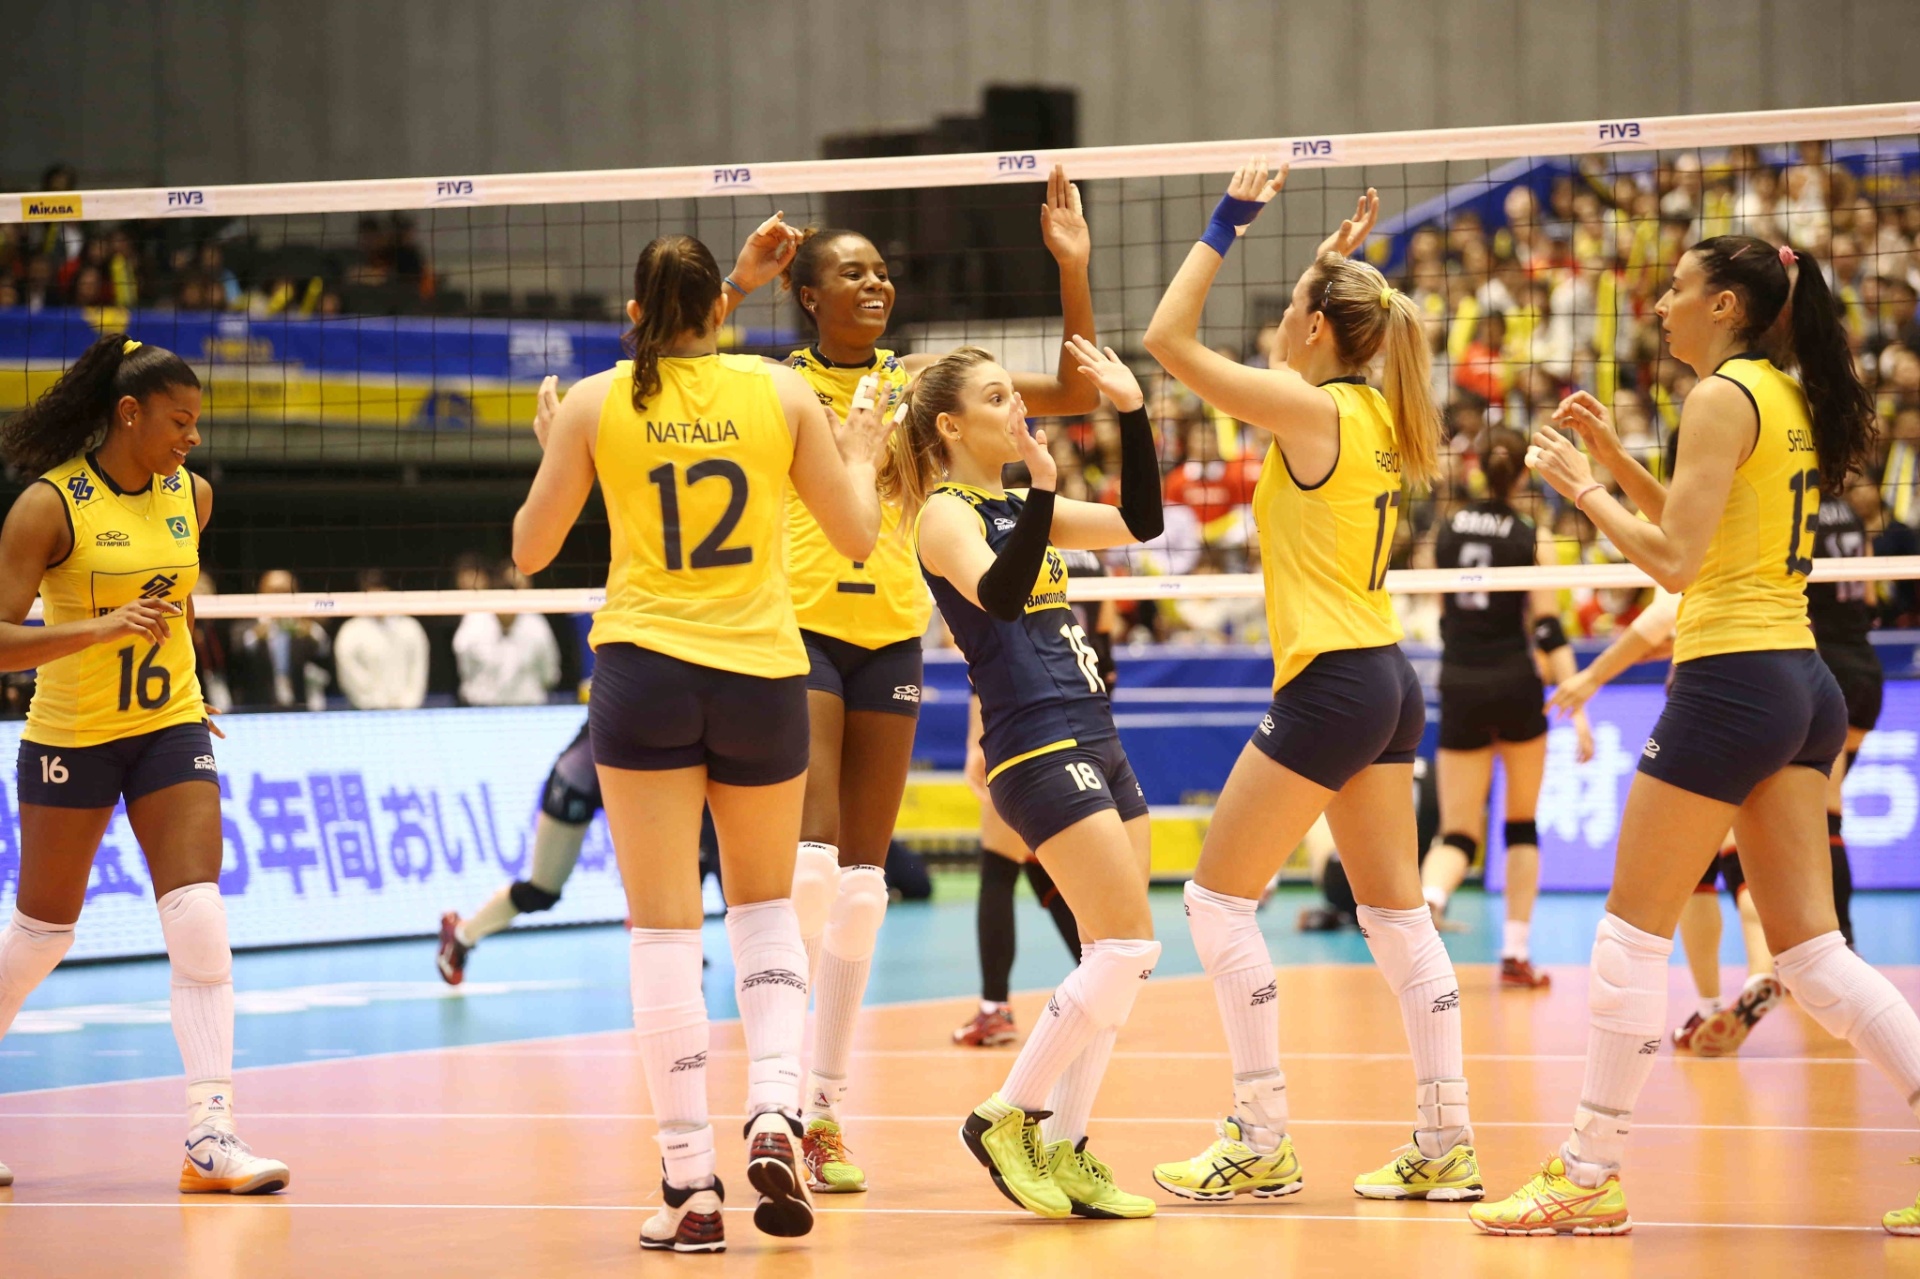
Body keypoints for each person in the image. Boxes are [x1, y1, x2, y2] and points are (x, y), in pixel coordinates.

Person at [1472, 236, 1920, 1237]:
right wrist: (1618, 460)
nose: (1660, 305)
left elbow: (1676, 562)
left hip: (1731, 683)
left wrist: (1578, 491)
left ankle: (1587, 1170)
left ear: (1725, 304)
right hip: (1797, 682)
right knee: (1810, 953)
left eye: (1676, 290)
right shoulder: (1780, 394)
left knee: (1629, 935)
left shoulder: (1721, 398)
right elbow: (1706, 526)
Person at [710, 170, 1101, 1193]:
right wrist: (742, 281)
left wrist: (1073, 269)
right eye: (852, 273)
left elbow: (1071, 386)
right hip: (797, 634)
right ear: (810, 296)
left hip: (890, 638)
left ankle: (827, 1114)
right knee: (809, 866)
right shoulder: (778, 380)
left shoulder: (920, 380)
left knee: (866, 892)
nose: (874, 284)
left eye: (882, 271)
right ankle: (779, 1101)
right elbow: (672, 361)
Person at [510, 233, 892, 1252]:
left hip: (645, 673)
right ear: (719, 310)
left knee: (663, 931)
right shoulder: (779, 391)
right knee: (765, 912)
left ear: (635, 313)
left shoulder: (594, 402)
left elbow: (529, 550)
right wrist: (858, 453)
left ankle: (689, 1186)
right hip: (765, 670)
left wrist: (558, 446)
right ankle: (775, 1110)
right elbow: (857, 536)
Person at [1143, 162, 1478, 1205]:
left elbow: (1165, 340)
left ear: (1320, 334)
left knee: (1212, 900)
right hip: (1386, 674)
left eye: (1293, 310)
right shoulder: (1378, 412)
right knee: (1397, 917)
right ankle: (1446, 1139)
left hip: (1334, 680)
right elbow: (1330, 323)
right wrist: (1334, 263)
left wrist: (1228, 221)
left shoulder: (1305, 405)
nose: (1281, 324)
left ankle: (1260, 1134)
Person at [0, 334, 288, 1195]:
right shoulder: (48, 507)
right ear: (129, 414)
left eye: (196, 423)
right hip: (73, 733)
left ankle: (211, 1132)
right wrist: (95, 628)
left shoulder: (190, 496)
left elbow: (178, 597)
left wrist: (190, 689)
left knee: (199, 915)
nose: (192, 437)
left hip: (167, 727)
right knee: (44, 935)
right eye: (179, 420)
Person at [887, 339, 1164, 1220]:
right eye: (999, 396)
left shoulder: (1013, 501)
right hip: (1034, 740)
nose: (1020, 407)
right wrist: (1043, 492)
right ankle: (1008, 1114)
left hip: (1094, 725)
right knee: (1125, 946)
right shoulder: (943, 515)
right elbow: (1001, 597)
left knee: (1115, 960)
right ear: (951, 424)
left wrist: (1133, 413)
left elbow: (1142, 521)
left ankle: (1072, 1147)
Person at [1550, 591, 1785, 1057]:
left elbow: (1661, 615)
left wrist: (1590, 678)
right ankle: (1762, 972)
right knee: (1746, 851)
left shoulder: (1695, 536)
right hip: (1787, 689)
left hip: (1709, 698)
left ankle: (1708, 1003)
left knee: (1691, 866)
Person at [1421, 428, 1592, 988]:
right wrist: (1580, 707)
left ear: (1474, 467)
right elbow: (1545, 628)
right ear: (1522, 473)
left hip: (1461, 681)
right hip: (1516, 685)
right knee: (1520, 825)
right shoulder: (1530, 536)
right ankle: (1516, 954)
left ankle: (1429, 901)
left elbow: (1440, 606)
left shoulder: (1443, 532)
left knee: (1457, 833)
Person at [452, 562, 560, 706]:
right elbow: (465, 670)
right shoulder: (473, 623)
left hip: (529, 709)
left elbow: (549, 674)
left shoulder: (536, 624)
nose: (505, 610)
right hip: (481, 709)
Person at [228, 569, 330, 710]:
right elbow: (234, 659)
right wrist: (257, 634)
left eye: (286, 591)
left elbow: (324, 654)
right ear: (261, 593)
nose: (280, 597)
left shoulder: (305, 628)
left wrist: (312, 629)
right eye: (275, 591)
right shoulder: (245, 628)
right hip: (257, 708)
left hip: (301, 706)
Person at [332, 567, 429, 710]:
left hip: (406, 710)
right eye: (372, 590)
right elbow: (349, 673)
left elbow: (418, 669)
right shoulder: (350, 631)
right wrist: (374, 701)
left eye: (381, 589)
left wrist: (409, 702)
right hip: (366, 710)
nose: (377, 595)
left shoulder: (411, 628)